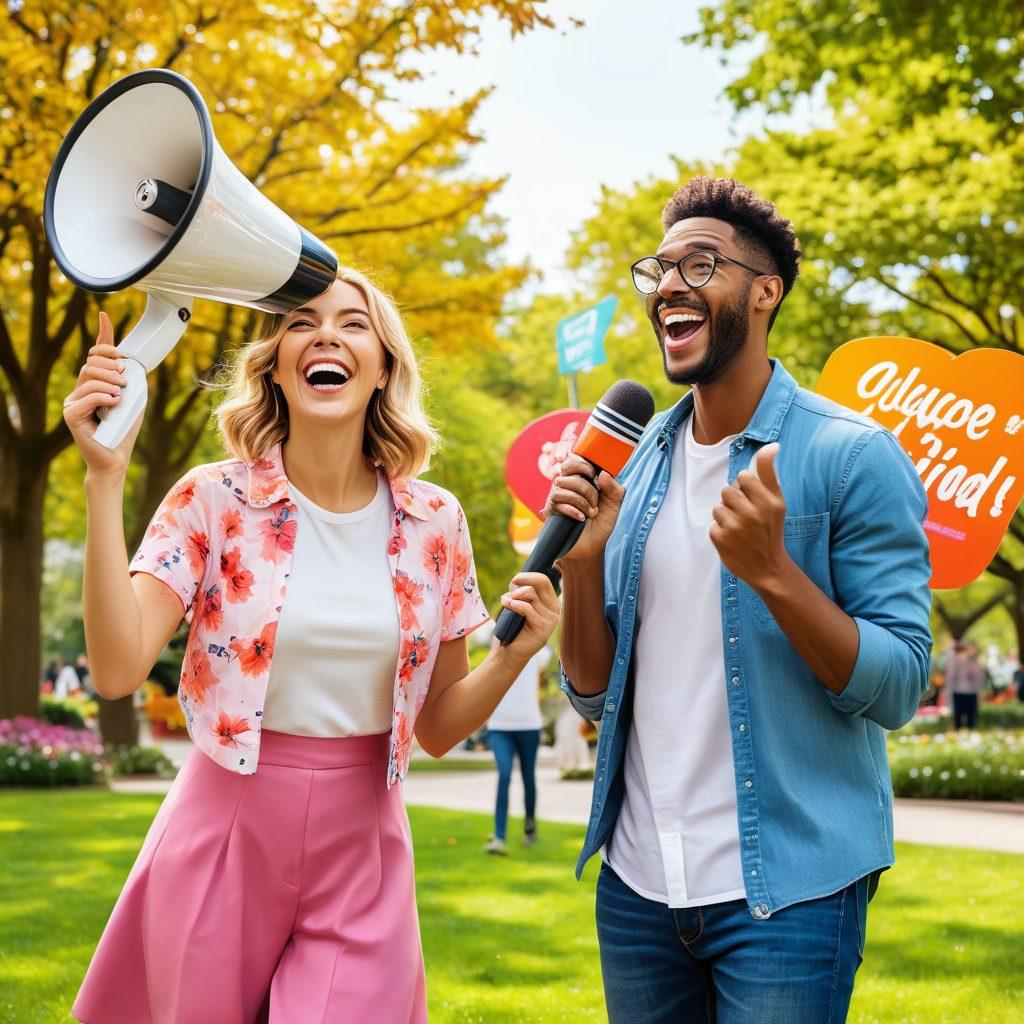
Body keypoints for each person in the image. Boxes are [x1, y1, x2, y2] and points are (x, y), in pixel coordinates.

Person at [63, 268, 560, 1024]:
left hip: (364, 844)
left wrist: (512, 657)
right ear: (273, 361)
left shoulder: (435, 519)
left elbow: (435, 726)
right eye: (301, 321)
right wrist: (106, 479)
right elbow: (116, 667)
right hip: (222, 829)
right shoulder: (210, 499)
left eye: (353, 322)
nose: (326, 333)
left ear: (384, 365)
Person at [549, 177, 933, 1024]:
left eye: (702, 264)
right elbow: (591, 690)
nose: (670, 287)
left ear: (766, 292)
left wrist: (773, 574)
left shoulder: (851, 456)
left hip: (789, 891)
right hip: (640, 887)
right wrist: (582, 567)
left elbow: (900, 683)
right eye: (661, 269)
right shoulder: (638, 460)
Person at [483, 638, 551, 854]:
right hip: (499, 726)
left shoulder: (533, 652)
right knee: (504, 775)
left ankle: (529, 826)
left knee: (528, 778)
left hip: (529, 725)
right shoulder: (494, 654)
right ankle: (499, 837)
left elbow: (546, 653)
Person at [948, 642, 986, 729]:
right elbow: (950, 676)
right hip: (958, 691)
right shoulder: (954, 661)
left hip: (970, 691)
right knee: (958, 713)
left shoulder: (973, 661)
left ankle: (970, 728)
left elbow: (979, 675)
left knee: (971, 714)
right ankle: (959, 728)